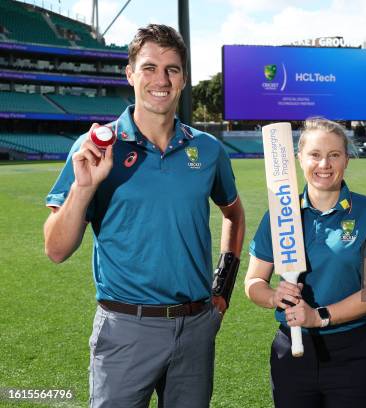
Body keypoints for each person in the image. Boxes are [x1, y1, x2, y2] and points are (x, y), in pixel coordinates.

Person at [43, 24, 245, 408]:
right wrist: (84, 188)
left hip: (196, 327)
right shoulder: (94, 147)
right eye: (150, 67)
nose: (161, 80)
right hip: (125, 330)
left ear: (184, 78)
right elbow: (55, 249)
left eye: (172, 69)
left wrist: (223, 288)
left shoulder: (209, 150)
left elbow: (233, 214)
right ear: (130, 74)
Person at [245, 118, 366, 408]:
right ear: (299, 158)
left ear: (347, 160)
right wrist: (274, 296)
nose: (324, 164)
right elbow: (253, 283)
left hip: (352, 352)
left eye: (334, 155)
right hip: (291, 351)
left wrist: (319, 316)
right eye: (314, 154)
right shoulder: (278, 215)